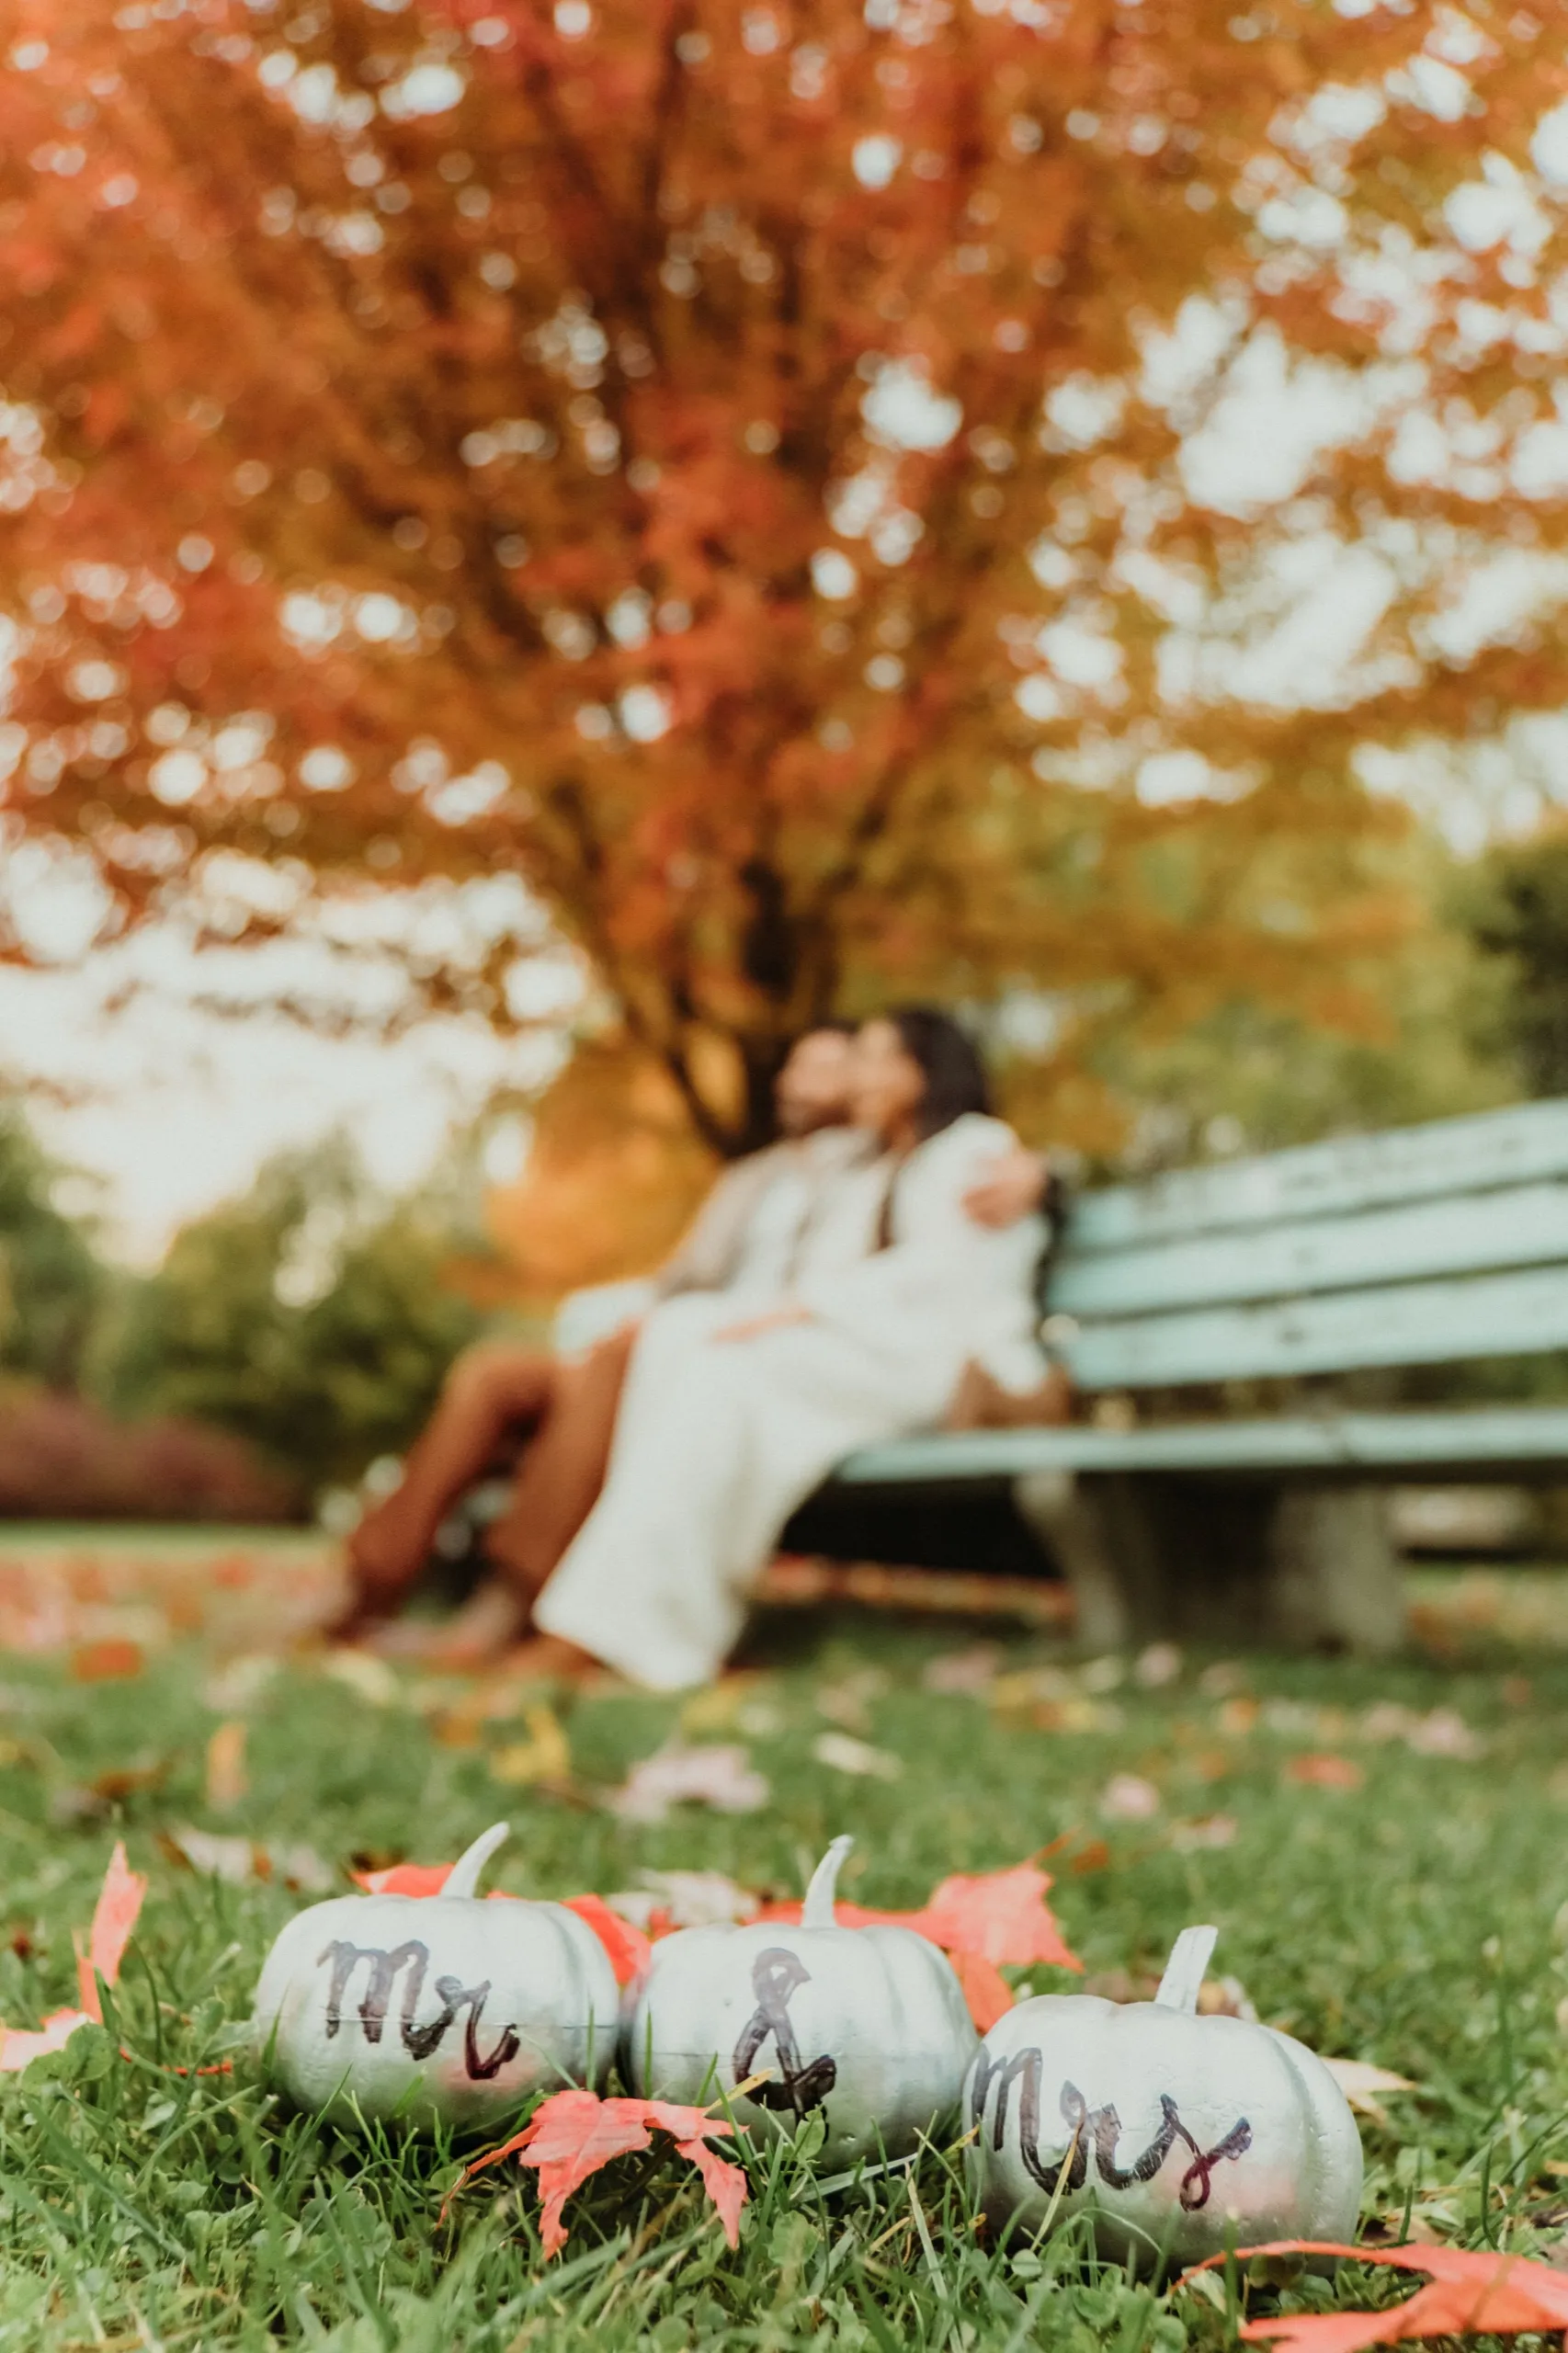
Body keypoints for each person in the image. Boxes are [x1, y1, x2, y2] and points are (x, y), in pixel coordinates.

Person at [330, 1018, 1052, 1652]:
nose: (807, 1081)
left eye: (836, 1066)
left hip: (740, 1347)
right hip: (687, 1333)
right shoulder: (752, 1176)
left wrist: (1045, 1176)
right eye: (801, 1065)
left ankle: (514, 1603)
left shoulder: (881, 1166)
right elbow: (681, 1275)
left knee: (633, 1358)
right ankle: (366, 1586)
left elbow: (963, 1207)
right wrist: (630, 1310)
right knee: (495, 1373)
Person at [521, 1008, 1049, 1690]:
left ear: (919, 1072)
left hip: (940, 1366)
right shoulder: (882, 1166)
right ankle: (645, 1610)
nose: (855, 1077)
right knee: (688, 1342)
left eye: (873, 1058)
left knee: (727, 1379)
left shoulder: (977, 1149)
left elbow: (943, 1276)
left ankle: (628, 1628)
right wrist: (765, 1312)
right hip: (879, 1350)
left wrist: (796, 1310)